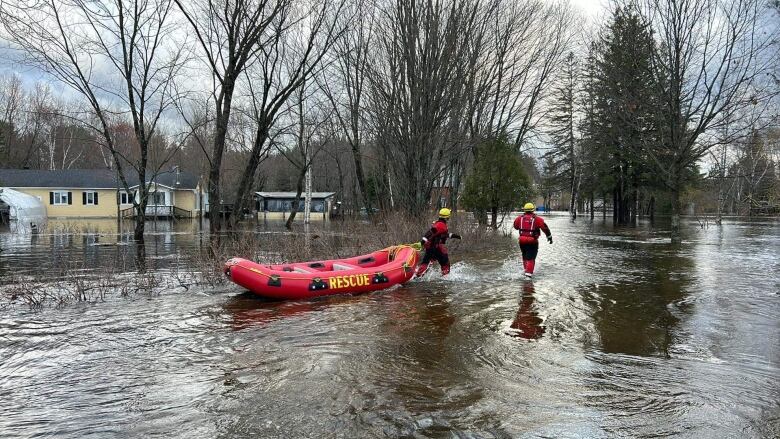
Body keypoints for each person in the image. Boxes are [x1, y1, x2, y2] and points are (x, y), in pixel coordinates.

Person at [415, 208, 461, 277]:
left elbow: (444, 234)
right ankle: (445, 277)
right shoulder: (441, 225)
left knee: (429, 263)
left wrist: (456, 236)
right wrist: (421, 243)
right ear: (447, 218)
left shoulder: (439, 224)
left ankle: (418, 275)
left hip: (434, 247)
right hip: (434, 247)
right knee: (443, 263)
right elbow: (430, 232)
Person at [512, 202, 552, 278]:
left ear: (524, 210)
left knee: (525, 256)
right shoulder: (537, 219)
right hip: (532, 241)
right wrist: (549, 237)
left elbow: (515, 227)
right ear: (533, 210)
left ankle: (526, 271)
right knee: (531, 258)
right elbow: (545, 228)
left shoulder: (519, 218)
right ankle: (528, 276)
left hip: (522, 241)